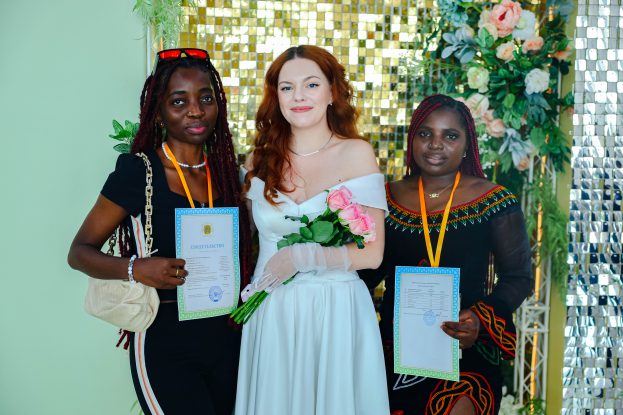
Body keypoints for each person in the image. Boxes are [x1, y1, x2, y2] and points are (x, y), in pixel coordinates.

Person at [68, 48, 251, 415]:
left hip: (228, 336)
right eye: (179, 101)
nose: (195, 111)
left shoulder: (230, 175)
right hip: (164, 338)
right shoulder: (139, 172)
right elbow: (79, 252)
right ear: (158, 110)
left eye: (206, 99)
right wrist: (136, 268)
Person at [235, 45, 390, 415]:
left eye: (311, 84)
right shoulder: (257, 161)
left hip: (336, 310)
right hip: (273, 311)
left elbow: (372, 254)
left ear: (332, 92)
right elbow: (240, 240)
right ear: (276, 97)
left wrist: (303, 256)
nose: (298, 96)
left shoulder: (356, 154)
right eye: (287, 88)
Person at [360, 94, 533, 415]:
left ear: (467, 144)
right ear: (412, 140)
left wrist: (479, 319)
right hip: (397, 348)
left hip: (463, 344)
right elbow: (367, 274)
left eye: (450, 136)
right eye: (425, 133)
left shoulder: (494, 200)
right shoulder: (384, 198)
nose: (435, 144)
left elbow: (519, 278)